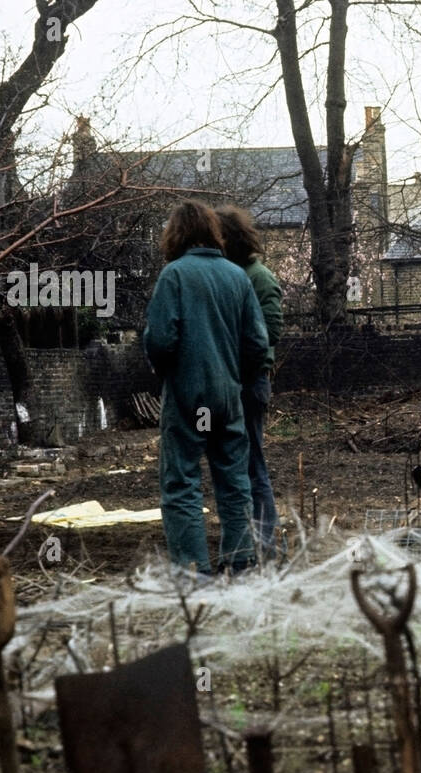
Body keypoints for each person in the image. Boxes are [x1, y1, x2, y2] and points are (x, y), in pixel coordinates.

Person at [144, 200, 269, 575]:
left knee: (182, 482)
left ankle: (194, 570)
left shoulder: (174, 276)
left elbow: (161, 340)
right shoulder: (237, 277)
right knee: (234, 481)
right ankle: (242, 562)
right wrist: (234, 378)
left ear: (175, 235)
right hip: (227, 400)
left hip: (189, 402)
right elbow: (258, 345)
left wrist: (163, 367)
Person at [215, 205, 284, 553]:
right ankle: (250, 542)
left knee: (253, 464)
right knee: (239, 462)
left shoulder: (258, 277)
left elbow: (270, 331)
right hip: (234, 383)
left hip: (249, 383)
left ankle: (267, 545)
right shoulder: (230, 274)